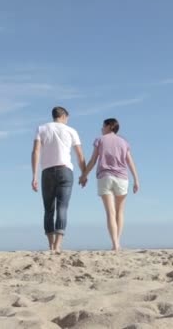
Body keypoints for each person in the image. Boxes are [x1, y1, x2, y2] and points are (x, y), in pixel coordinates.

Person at [31, 106, 86, 252]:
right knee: (62, 207)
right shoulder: (71, 130)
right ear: (63, 116)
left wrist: (34, 176)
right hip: (65, 170)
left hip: (47, 171)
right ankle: (58, 245)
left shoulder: (41, 128)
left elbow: (36, 151)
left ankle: (50, 245)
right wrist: (84, 174)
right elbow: (80, 155)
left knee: (48, 209)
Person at [80, 118, 140, 251]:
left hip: (105, 177)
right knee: (120, 212)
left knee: (110, 213)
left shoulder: (100, 140)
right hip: (122, 178)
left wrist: (84, 175)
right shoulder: (124, 142)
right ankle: (118, 242)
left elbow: (93, 160)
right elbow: (130, 162)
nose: (101, 128)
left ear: (109, 126)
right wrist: (136, 180)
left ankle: (114, 244)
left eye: (103, 126)